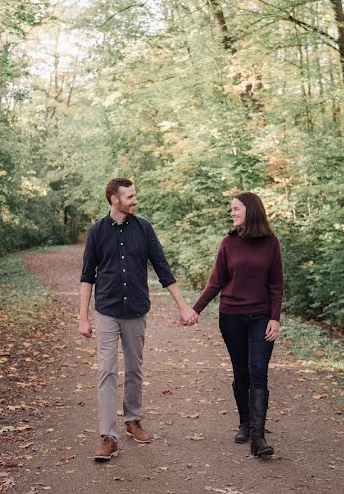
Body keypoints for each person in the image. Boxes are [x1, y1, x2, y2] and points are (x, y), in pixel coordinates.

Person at [79, 177, 198, 461]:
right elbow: (87, 277)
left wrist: (183, 306)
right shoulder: (96, 232)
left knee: (134, 369)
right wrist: (82, 317)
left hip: (135, 312)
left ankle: (132, 420)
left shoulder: (144, 229)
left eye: (135, 196)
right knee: (106, 370)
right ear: (114, 199)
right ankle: (108, 436)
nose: (135, 200)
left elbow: (163, 269)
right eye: (129, 197)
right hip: (106, 310)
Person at [192, 192, 283, 457]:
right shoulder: (228, 243)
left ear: (251, 210)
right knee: (241, 371)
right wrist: (196, 310)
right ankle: (245, 423)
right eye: (231, 209)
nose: (232, 213)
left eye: (236, 209)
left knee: (258, 371)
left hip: (261, 317)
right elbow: (216, 282)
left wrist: (274, 317)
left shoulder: (271, 243)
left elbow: (276, 285)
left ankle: (258, 437)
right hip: (231, 316)